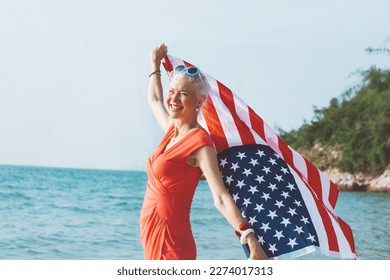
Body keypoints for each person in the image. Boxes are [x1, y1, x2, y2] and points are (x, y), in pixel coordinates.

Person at [139, 43, 268, 260]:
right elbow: (154, 100)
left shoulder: (200, 142)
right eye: (172, 92)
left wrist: (248, 235)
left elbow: (220, 196)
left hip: (171, 240)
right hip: (152, 235)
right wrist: (154, 64)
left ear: (199, 102)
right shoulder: (171, 130)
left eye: (183, 94)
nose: (174, 99)